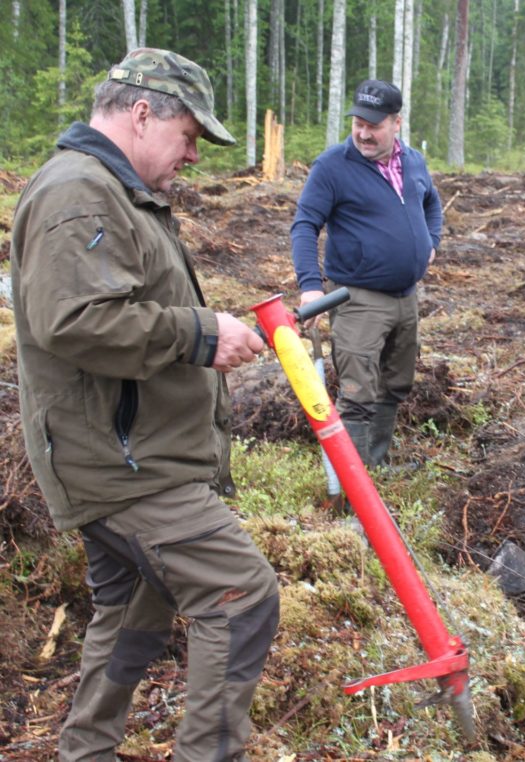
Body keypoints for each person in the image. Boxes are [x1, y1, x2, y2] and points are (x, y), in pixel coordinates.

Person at [10, 48, 278, 759]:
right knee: (241, 594)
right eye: (189, 135)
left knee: (133, 607)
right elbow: (74, 321)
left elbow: (122, 309)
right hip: (123, 467)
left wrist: (201, 332)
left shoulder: (114, 192)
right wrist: (200, 332)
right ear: (139, 113)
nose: (193, 155)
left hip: (127, 456)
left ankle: (85, 751)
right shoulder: (78, 192)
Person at [291, 79, 442, 470]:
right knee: (357, 393)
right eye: (358, 121)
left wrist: (431, 241)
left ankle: (376, 464)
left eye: (374, 124)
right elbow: (305, 224)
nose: (363, 132)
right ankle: (353, 489)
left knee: (394, 384)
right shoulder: (332, 166)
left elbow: (431, 202)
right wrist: (310, 286)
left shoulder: (412, 160)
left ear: (397, 123)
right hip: (357, 297)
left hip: (406, 296)